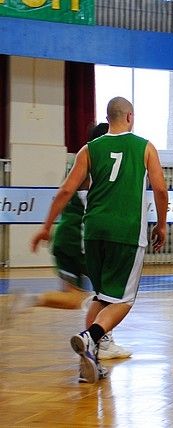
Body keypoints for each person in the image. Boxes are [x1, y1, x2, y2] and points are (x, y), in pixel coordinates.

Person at [31, 97, 168, 383]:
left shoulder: (89, 149)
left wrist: (46, 227)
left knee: (101, 297)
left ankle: (88, 363)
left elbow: (65, 191)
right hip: (126, 232)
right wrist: (162, 225)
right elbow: (160, 189)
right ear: (129, 117)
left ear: (108, 119)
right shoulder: (145, 147)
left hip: (93, 232)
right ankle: (91, 336)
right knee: (124, 301)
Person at [21, 123, 131, 362]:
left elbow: (64, 193)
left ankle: (33, 299)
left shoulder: (82, 160)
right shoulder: (96, 163)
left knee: (77, 297)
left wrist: (47, 227)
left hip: (66, 236)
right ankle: (101, 342)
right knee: (107, 293)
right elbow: (67, 193)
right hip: (80, 238)